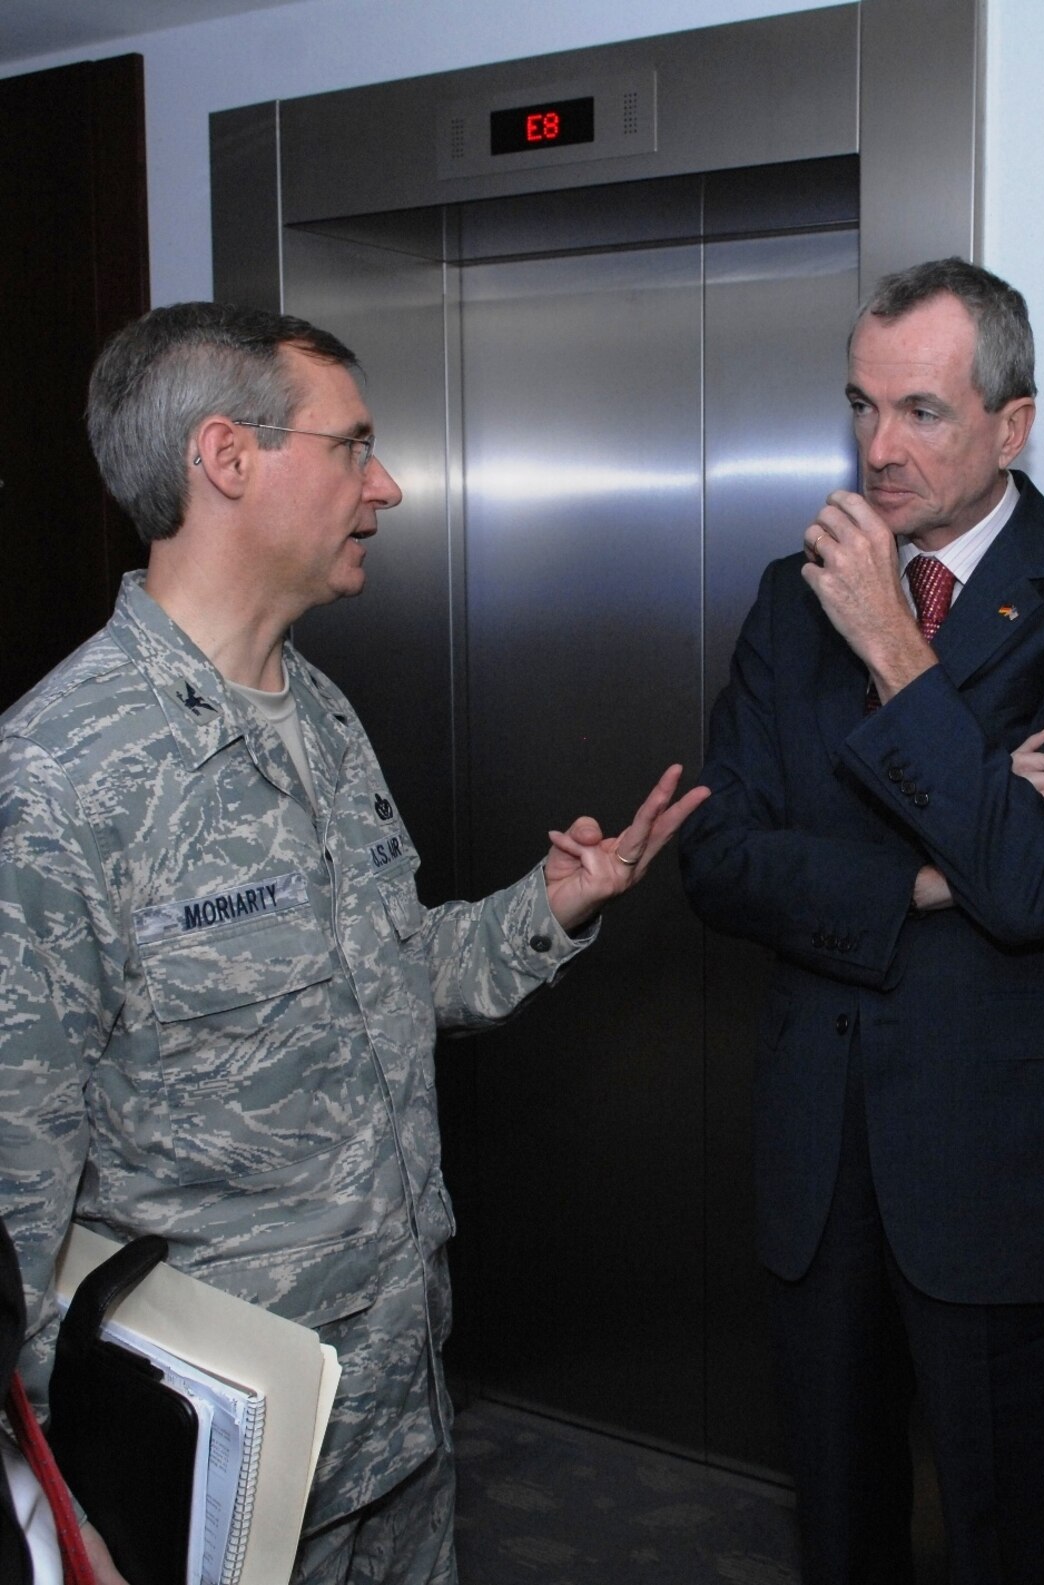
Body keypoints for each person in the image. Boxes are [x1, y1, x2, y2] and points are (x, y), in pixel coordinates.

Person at [0, 302, 707, 1585]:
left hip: (396, 1410)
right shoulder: (57, 782)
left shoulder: (318, 711)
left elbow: (385, 979)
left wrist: (546, 912)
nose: (382, 485)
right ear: (227, 457)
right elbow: (10, 1203)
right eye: (353, 445)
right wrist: (52, 1504)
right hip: (214, 1464)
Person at [678, 257, 1044, 1585]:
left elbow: (1034, 886)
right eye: (862, 408)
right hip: (820, 1162)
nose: (877, 449)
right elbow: (719, 860)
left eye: (921, 412)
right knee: (839, 1531)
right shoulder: (799, 596)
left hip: (1006, 1178)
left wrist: (898, 656)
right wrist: (923, 869)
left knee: (1013, 1536)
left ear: (1013, 427)